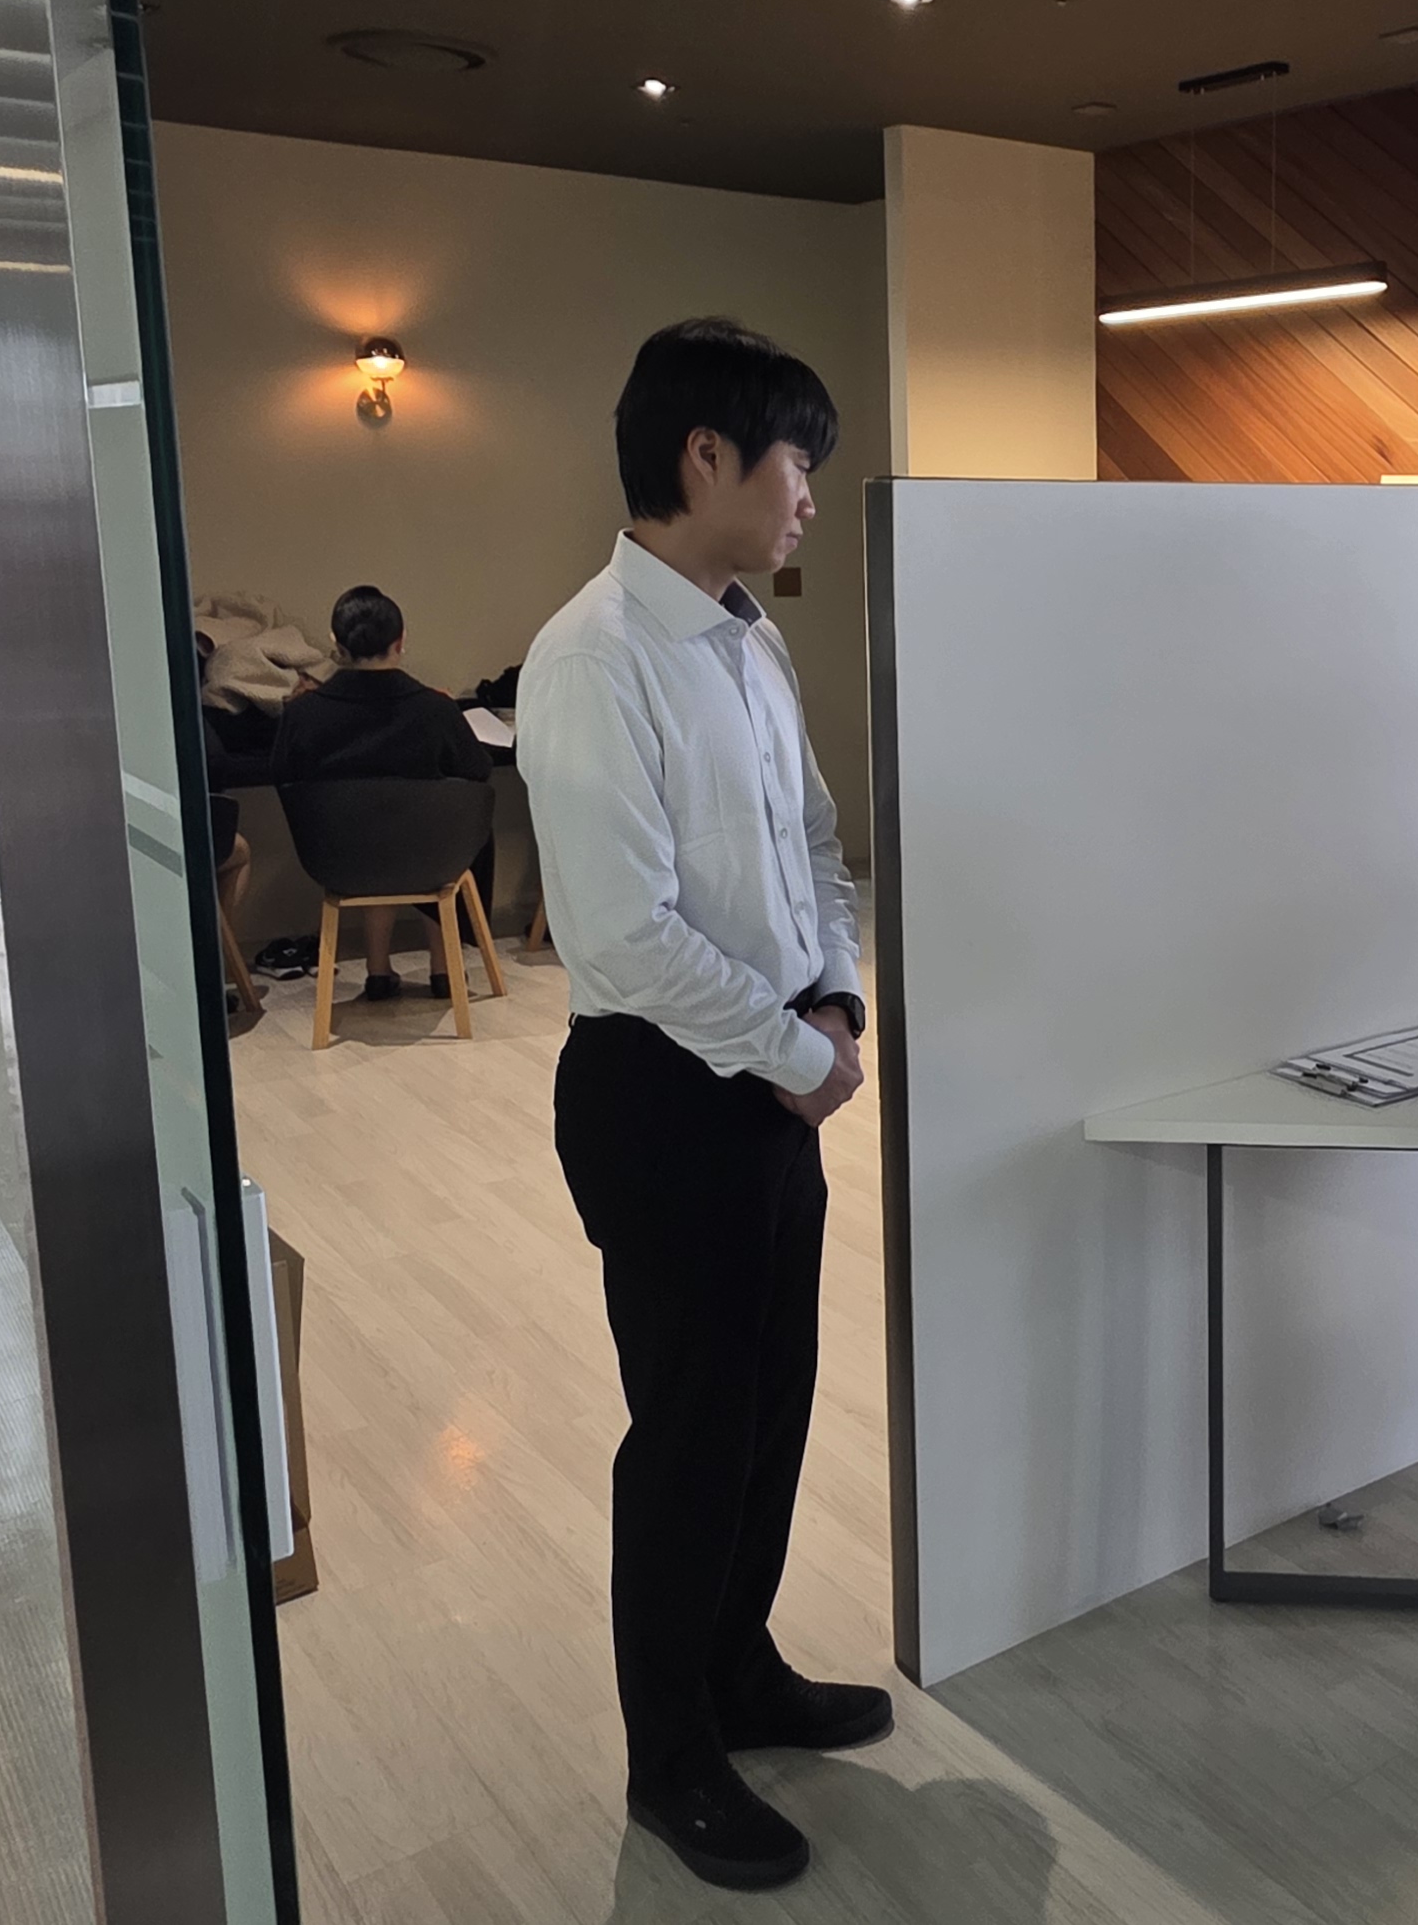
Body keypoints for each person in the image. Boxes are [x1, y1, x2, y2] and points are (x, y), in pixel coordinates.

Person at [515, 318, 883, 1893]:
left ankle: (741, 1669)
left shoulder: (747, 637)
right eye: (796, 461)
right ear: (705, 456)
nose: (808, 496)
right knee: (690, 1434)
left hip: (773, 1079)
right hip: (664, 1097)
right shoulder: (593, 657)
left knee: (772, 1403)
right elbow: (622, 939)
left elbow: (813, 838)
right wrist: (800, 1058)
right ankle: (671, 1757)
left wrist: (839, 996)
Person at [275, 584, 498, 1000]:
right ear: (401, 640)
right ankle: (444, 968)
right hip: (431, 859)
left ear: (337, 643)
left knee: (371, 828)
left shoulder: (303, 714)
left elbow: (283, 773)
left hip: (339, 860)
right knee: (446, 823)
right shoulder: (435, 709)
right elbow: (477, 770)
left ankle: (377, 970)